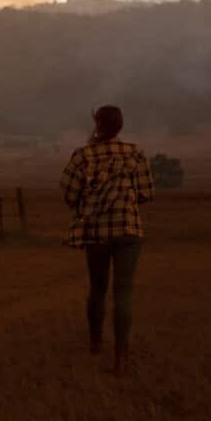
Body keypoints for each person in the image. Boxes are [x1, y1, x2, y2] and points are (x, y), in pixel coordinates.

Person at [59, 105, 154, 375]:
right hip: (129, 231)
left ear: (97, 124)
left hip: (96, 233)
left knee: (98, 288)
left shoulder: (83, 155)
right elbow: (146, 193)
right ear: (120, 126)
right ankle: (121, 357)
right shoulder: (135, 152)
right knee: (123, 292)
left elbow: (68, 191)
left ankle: (95, 343)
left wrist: (87, 204)